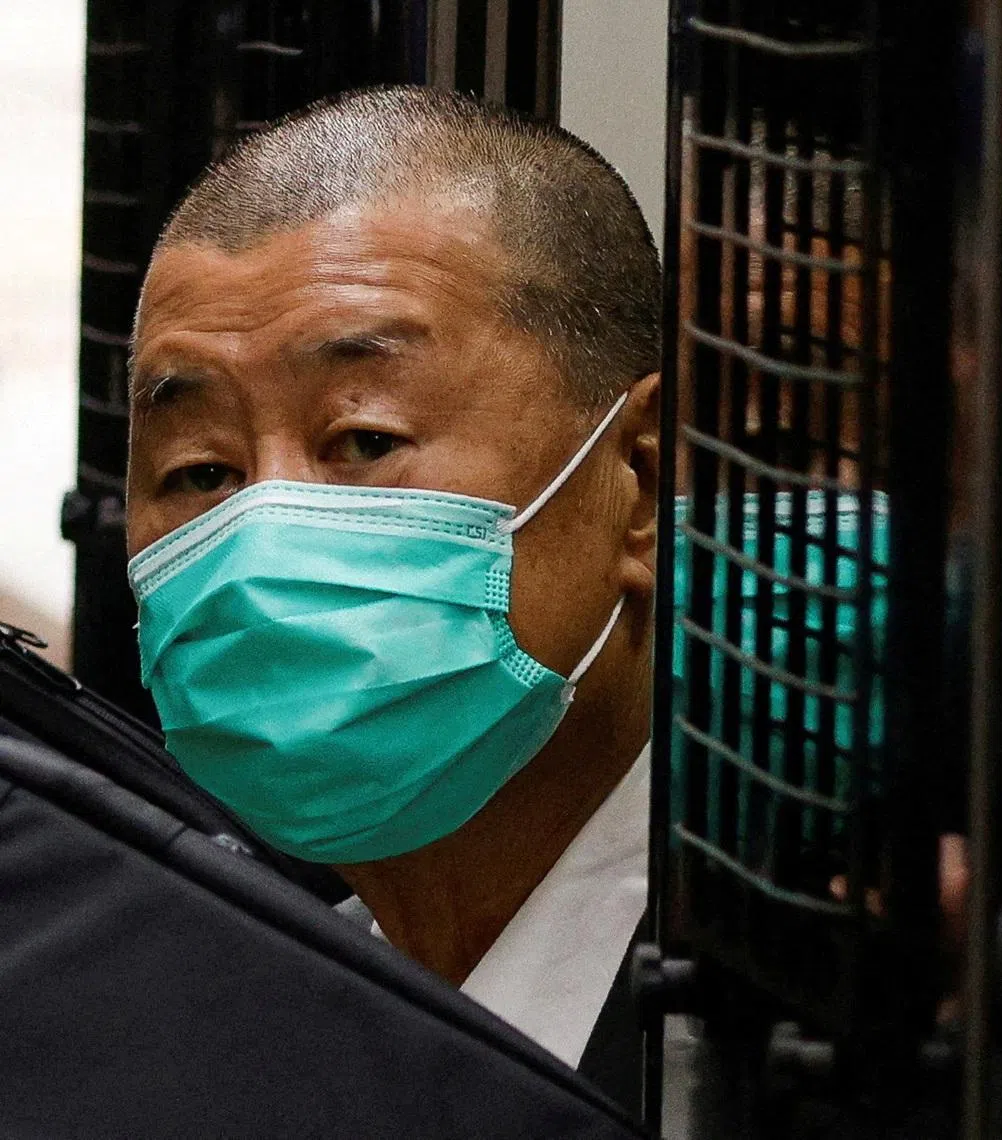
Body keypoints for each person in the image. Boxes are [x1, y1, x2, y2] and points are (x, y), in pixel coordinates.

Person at [125, 85, 661, 1110]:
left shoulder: (823, 1032)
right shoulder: (205, 1040)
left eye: (363, 442)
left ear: (640, 479)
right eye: (201, 473)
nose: (262, 535)